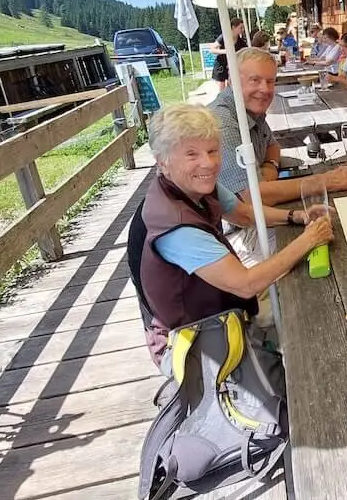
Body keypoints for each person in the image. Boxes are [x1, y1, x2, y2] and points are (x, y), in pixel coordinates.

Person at [128, 104, 334, 369]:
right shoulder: (177, 226)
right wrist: (308, 239)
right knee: (309, 313)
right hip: (195, 342)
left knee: (302, 297)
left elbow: (244, 215)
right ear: (162, 161)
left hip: (221, 307)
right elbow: (245, 284)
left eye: (212, 151)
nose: (209, 163)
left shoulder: (195, 185)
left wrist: (297, 216)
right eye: (192, 154)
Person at [210, 47, 347, 281]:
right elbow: (252, 197)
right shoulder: (223, 121)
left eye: (270, 81)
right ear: (232, 80)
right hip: (239, 233)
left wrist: (270, 166)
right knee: (334, 246)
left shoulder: (249, 108)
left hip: (259, 212)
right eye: (255, 80)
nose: (265, 89)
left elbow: (273, 146)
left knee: (331, 219)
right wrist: (328, 181)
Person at [210, 16, 247, 89]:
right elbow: (212, 49)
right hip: (221, 64)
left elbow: (246, 51)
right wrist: (226, 51)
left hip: (232, 65)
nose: (243, 30)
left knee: (231, 85)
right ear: (233, 27)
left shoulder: (241, 41)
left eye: (243, 28)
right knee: (221, 86)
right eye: (241, 28)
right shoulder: (224, 37)